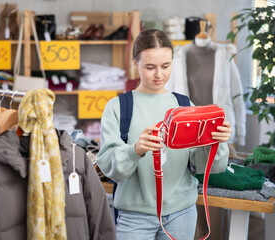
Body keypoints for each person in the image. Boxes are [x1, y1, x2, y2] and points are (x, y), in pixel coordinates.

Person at [95, 29, 231, 240]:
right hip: (134, 218)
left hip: (182, 214)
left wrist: (216, 142)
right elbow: (111, 169)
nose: (159, 75)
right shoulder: (118, 108)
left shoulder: (184, 106)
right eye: (150, 67)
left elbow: (206, 166)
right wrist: (136, 150)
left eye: (165, 66)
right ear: (135, 63)